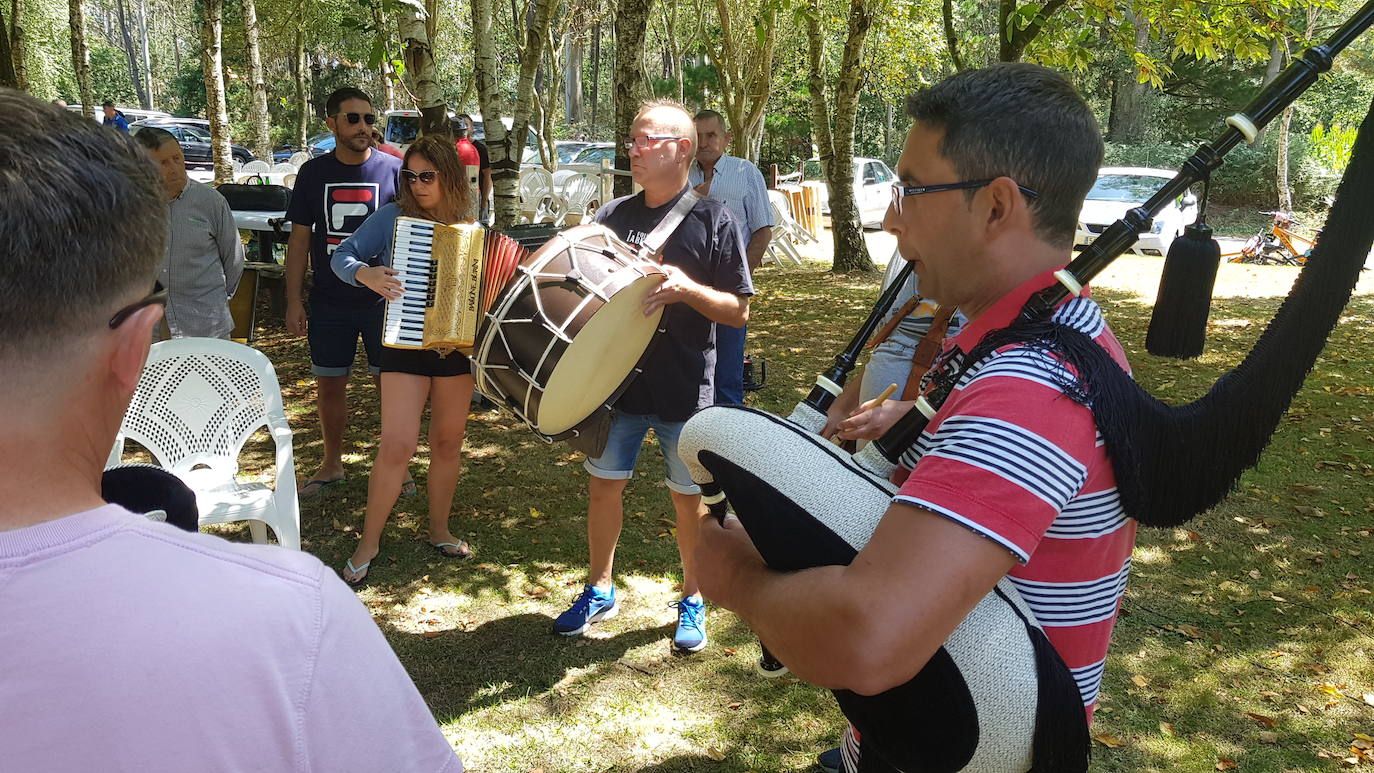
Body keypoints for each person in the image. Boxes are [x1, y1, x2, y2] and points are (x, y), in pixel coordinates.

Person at [0, 89, 463, 773]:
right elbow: (319, 249)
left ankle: (437, 523)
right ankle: (367, 526)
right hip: (388, 342)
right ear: (141, 346)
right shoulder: (294, 618)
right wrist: (348, 280)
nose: (415, 183)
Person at [694, 63, 1135, 772]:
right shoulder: (1037, 340)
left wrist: (734, 575)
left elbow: (869, 640)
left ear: (995, 207)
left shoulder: (1030, 387)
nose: (892, 215)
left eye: (912, 189)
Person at [552, 99, 753, 653]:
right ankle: (599, 588)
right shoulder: (611, 217)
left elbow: (738, 309)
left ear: (681, 148)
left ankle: (692, 598)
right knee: (603, 486)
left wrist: (687, 289)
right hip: (616, 384)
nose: (634, 150)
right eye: (633, 139)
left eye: (646, 140)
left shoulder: (714, 219)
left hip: (685, 386)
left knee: (687, 500)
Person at [331, 135, 478, 586]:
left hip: (457, 350)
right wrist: (366, 274)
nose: (416, 185)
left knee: (448, 443)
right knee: (396, 444)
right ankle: (369, 541)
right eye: (409, 175)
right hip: (403, 344)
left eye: (427, 176)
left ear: (449, 176)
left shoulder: (472, 223)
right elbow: (342, 255)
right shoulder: (393, 217)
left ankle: (439, 529)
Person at [285, 87, 407, 498]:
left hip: (384, 301)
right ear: (331, 123)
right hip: (329, 301)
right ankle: (331, 463)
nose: (363, 127)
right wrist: (293, 300)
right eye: (352, 118)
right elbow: (299, 242)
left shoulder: (395, 170)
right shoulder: (312, 174)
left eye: (369, 119)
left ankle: (396, 464)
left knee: (389, 387)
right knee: (330, 385)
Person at [688, 110, 773, 405]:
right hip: (688, 287)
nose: (704, 142)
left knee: (727, 372)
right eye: (698, 136)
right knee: (691, 369)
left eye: (711, 135)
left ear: (727, 138)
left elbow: (762, 232)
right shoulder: (682, 175)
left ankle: (728, 436)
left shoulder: (745, 173)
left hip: (729, 289)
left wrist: (740, 280)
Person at [133, 126, 245, 339]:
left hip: (205, 323)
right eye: (163, 163)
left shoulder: (210, 201)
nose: (174, 168)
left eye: (177, 158)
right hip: (152, 327)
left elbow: (234, 260)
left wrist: (216, 301)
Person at [455, 114, 492, 217]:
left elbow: (485, 176)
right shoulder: (460, 148)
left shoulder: (476, 149)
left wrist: (483, 200)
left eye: (466, 125)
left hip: (474, 196)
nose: (463, 128)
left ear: (471, 128)